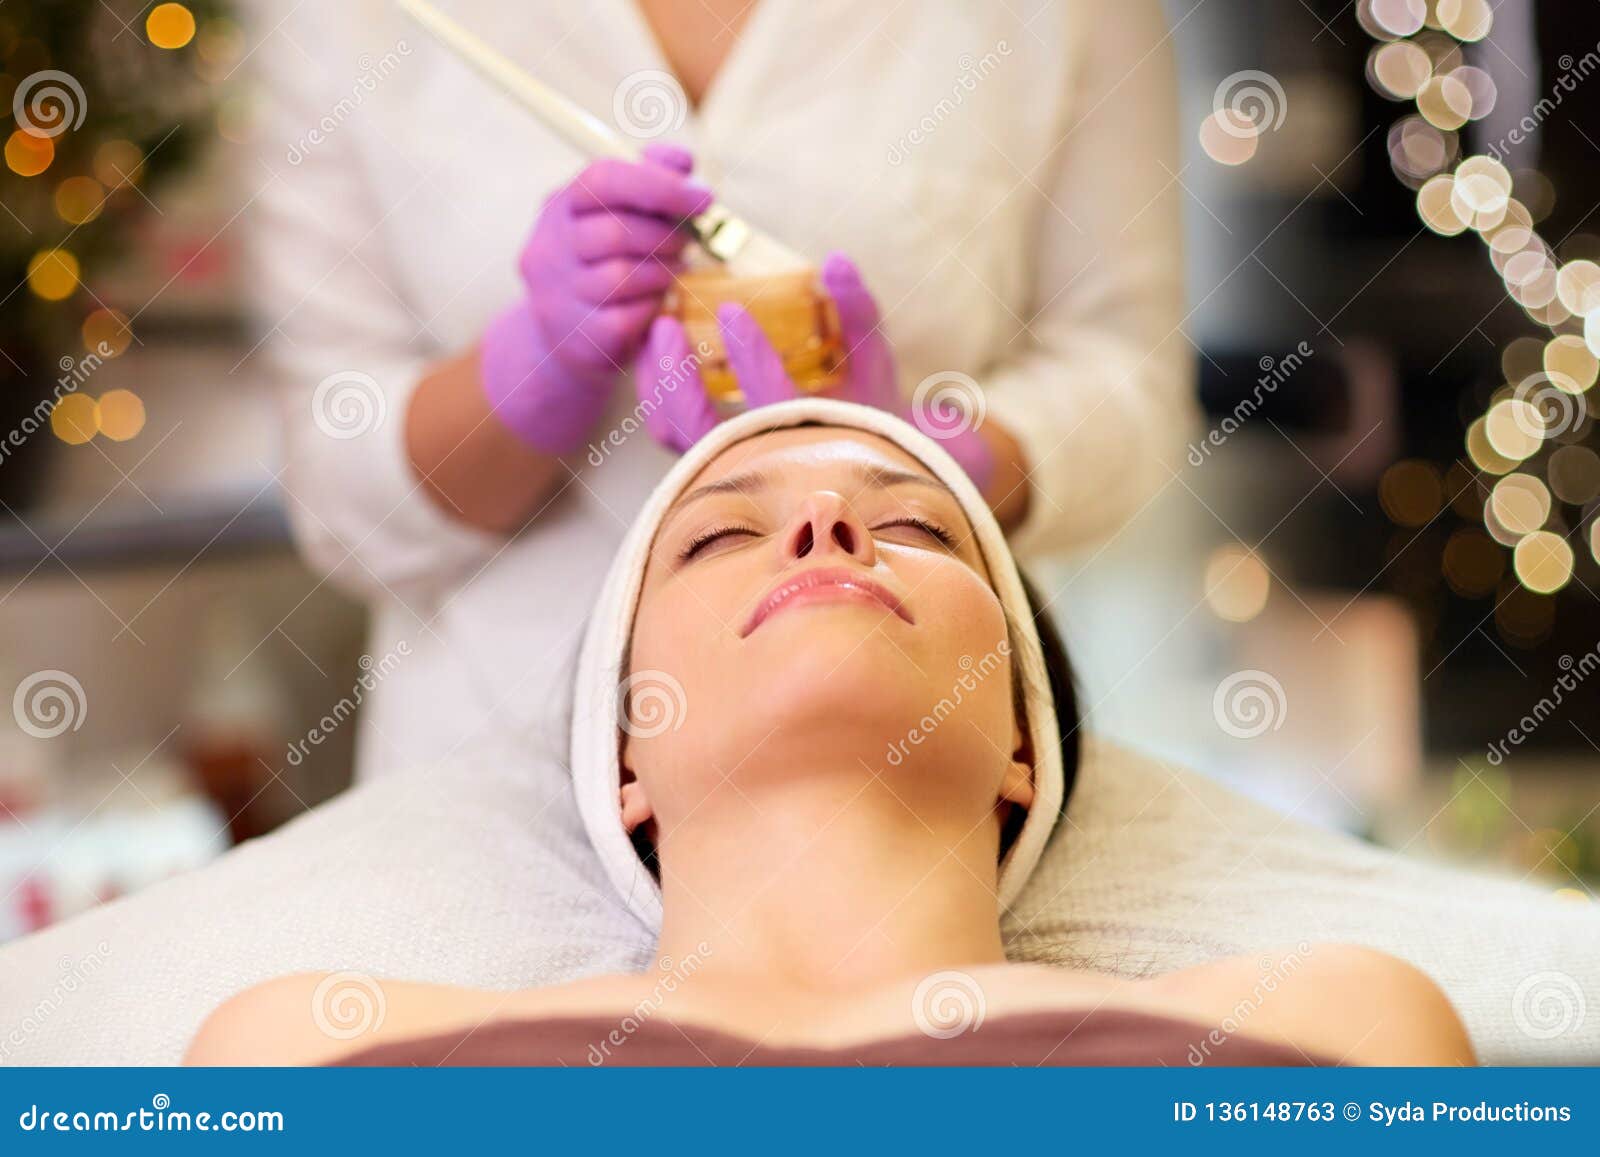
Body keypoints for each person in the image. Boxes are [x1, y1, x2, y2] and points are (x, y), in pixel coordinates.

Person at [186, 387, 1470, 1067]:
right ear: (621, 751)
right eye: (721, 532)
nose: (822, 529)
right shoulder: (301, 1046)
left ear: (1026, 736)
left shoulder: (1333, 1026)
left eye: (913, 523)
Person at [251, 0, 1195, 780]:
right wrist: (530, 369)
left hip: (913, 761)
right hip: (490, 775)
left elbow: (1131, 384)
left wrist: (920, 455)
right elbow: (339, 495)